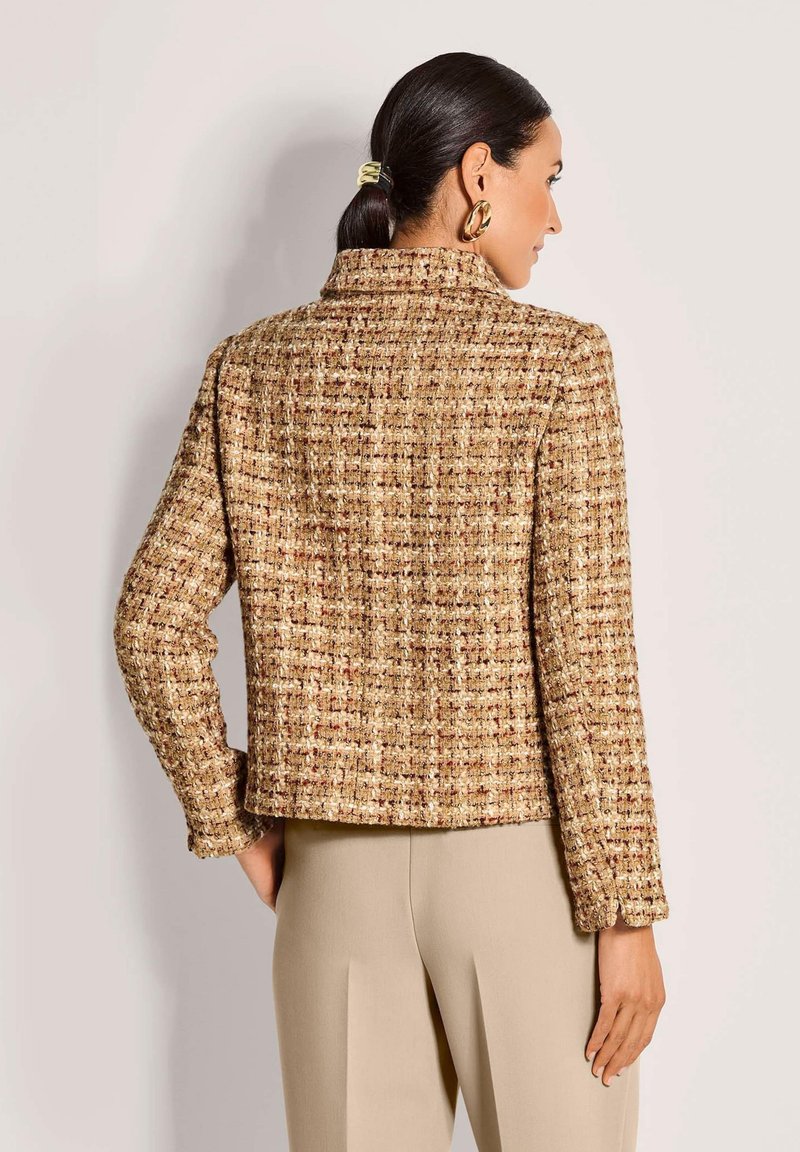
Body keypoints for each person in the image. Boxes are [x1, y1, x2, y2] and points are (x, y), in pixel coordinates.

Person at [113, 51, 669, 1152]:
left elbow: (151, 620)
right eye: (548, 179)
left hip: (333, 879)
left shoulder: (253, 369)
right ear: (478, 177)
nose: (555, 217)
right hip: (525, 874)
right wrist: (626, 912)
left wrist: (235, 822)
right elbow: (586, 659)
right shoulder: (555, 364)